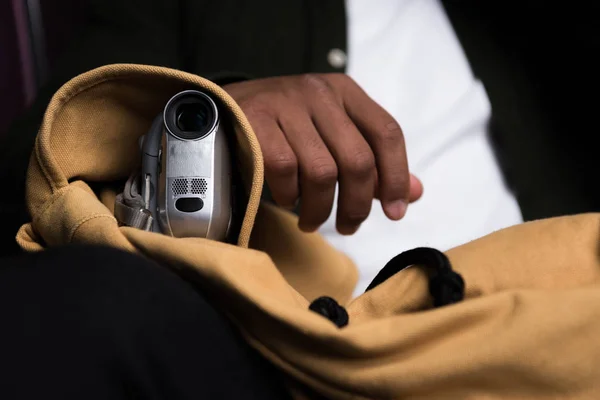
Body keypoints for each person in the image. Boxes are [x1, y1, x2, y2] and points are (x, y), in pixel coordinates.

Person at [0, 0, 595, 398]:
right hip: (273, 358)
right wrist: (212, 116)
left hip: (541, 338)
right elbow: (29, 163)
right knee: (81, 303)